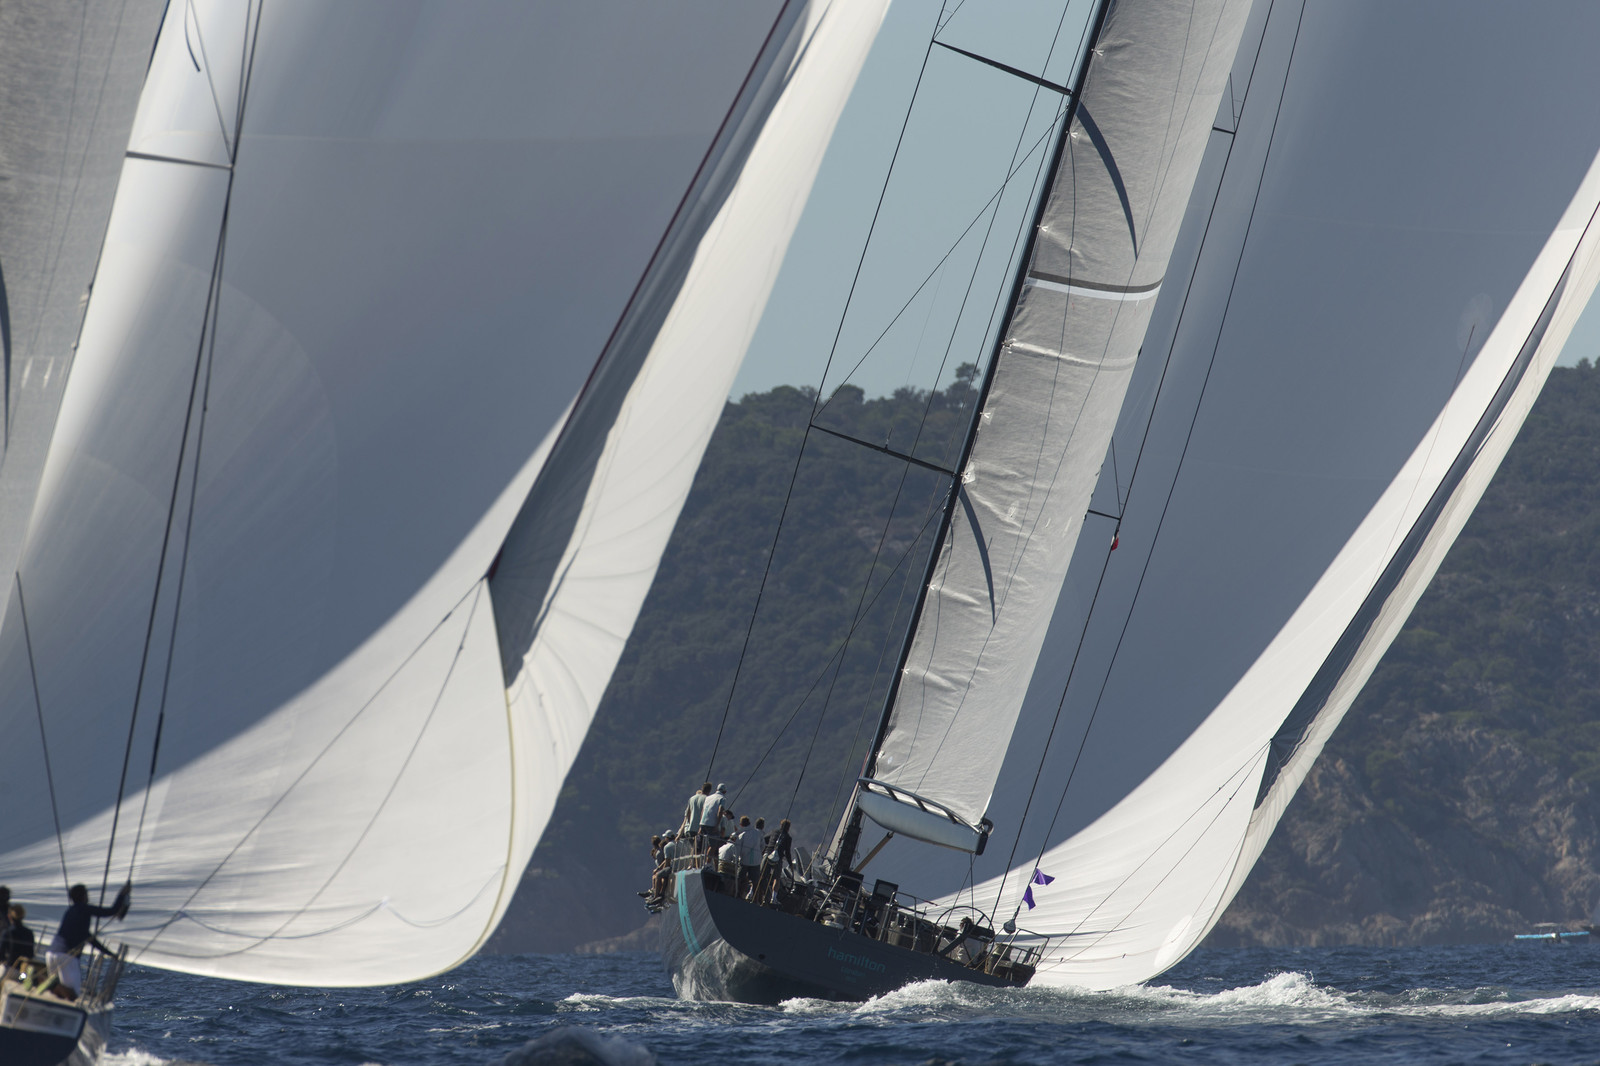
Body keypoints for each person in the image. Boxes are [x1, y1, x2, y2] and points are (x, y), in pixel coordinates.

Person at [46, 882, 130, 1000]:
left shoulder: (70, 911)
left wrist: (109, 953)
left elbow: (89, 938)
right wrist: (122, 894)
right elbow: (111, 911)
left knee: (57, 992)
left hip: (51, 953)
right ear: (83, 896)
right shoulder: (84, 909)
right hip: (66, 957)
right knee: (73, 995)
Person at [734, 816, 763, 899]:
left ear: (741, 825)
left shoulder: (741, 835)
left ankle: (738, 895)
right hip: (756, 861)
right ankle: (755, 899)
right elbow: (763, 845)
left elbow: (738, 850)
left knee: (740, 878)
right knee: (755, 881)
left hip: (744, 861)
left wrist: (737, 860)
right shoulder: (758, 833)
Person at [698, 783, 732, 849]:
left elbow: (703, 810)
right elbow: (720, 811)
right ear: (725, 792)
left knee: (703, 845)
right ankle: (708, 859)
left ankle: (703, 858)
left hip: (702, 823)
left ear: (716, 789)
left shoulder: (708, 797)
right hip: (711, 825)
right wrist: (717, 825)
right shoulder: (722, 799)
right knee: (713, 846)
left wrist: (700, 824)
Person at [682, 783, 712, 850]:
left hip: (691, 829)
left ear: (702, 788)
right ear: (709, 791)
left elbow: (688, 814)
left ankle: (694, 860)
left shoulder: (692, 798)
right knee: (700, 851)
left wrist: (690, 823)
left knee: (694, 850)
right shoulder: (707, 799)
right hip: (700, 830)